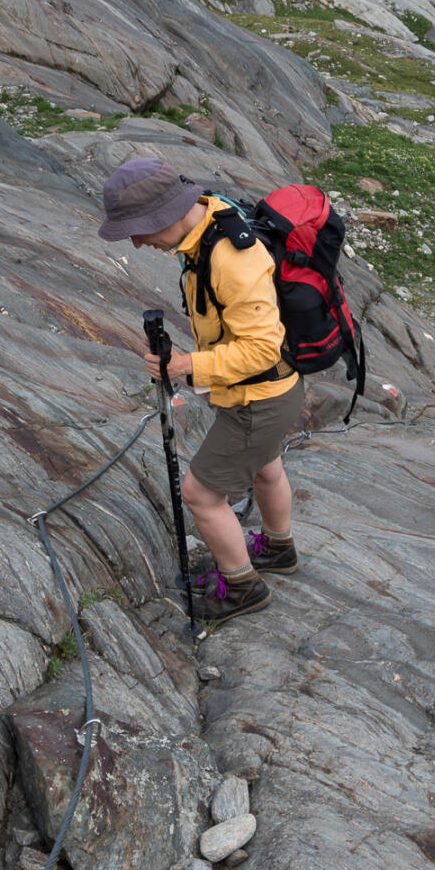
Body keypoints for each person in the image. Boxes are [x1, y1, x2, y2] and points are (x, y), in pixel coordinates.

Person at [99, 157, 303, 622]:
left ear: (166, 214)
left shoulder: (230, 257)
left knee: (201, 495)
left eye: (140, 228)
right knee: (265, 466)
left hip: (260, 396)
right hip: (272, 391)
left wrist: (188, 365)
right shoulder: (209, 220)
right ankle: (279, 549)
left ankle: (242, 588)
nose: (137, 241)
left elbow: (262, 349)